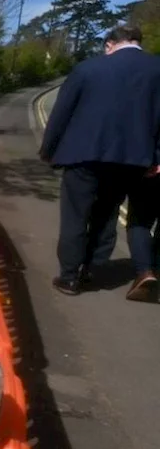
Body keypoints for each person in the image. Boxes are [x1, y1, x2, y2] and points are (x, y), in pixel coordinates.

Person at [40, 24, 160, 300]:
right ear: (137, 41)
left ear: (109, 44)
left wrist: (49, 149)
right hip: (131, 160)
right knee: (106, 214)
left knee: (75, 215)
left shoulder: (87, 69)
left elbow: (62, 112)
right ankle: (92, 268)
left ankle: (69, 277)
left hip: (84, 155)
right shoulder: (157, 70)